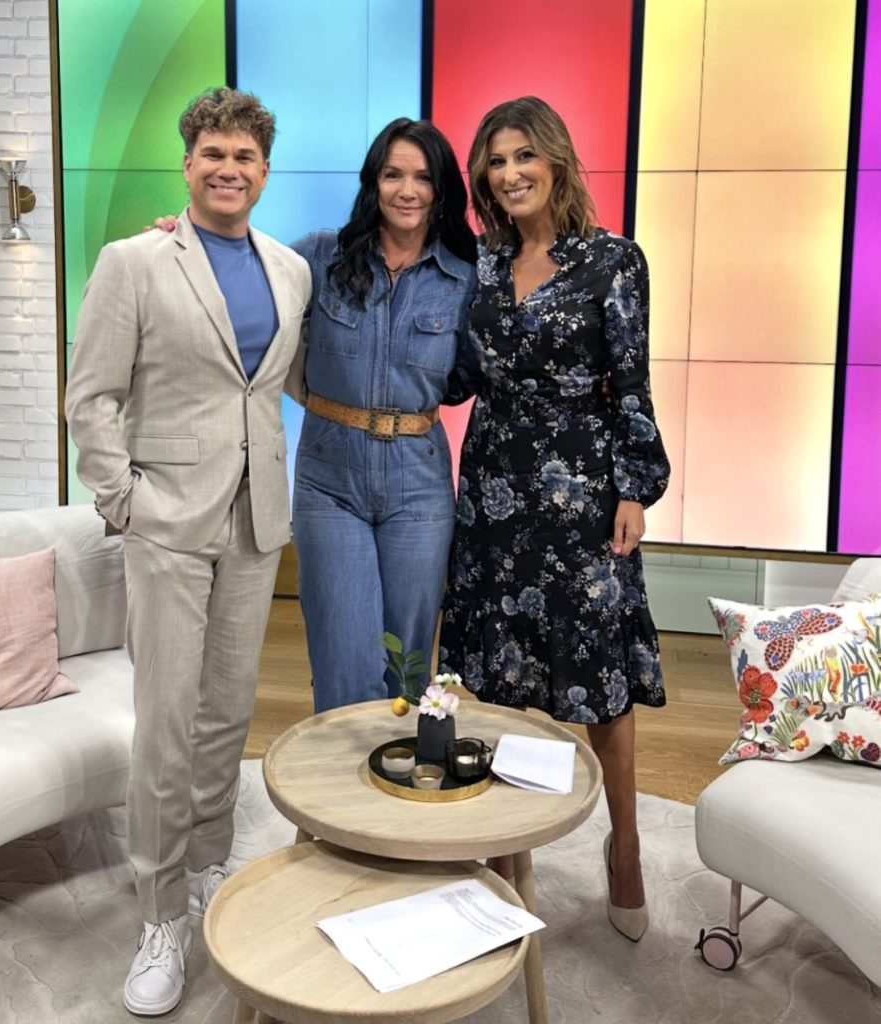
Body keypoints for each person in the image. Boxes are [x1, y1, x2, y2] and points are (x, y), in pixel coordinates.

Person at [65, 87, 311, 1016]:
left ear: (263, 171)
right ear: (188, 162)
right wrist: (122, 499)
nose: (227, 169)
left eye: (244, 156)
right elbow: (91, 396)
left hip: (254, 522)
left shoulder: (290, 270)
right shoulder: (134, 261)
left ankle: (208, 865)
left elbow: (271, 388)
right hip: (165, 522)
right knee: (166, 724)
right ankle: (158, 913)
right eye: (213, 153)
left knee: (225, 713)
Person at [438, 96, 670, 942]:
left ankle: (625, 845)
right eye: (495, 162)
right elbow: (456, 376)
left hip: (583, 491)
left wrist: (634, 487)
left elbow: (630, 378)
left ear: (557, 160)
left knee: (598, 676)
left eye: (522, 156)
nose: (509, 174)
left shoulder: (612, 259)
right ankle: (505, 849)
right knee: (500, 675)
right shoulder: (479, 263)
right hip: (493, 487)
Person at [290, 118, 477, 712]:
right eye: (393, 174)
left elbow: (467, 376)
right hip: (329, 478)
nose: (407, 190)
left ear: (440, 189)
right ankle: (342, 772)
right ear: (373, 181)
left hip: (419, 483)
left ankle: (399, 767)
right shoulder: (321, 255)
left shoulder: (464, 277)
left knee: (408, 665)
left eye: (423, 177)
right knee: (345, 660)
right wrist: (180, 236)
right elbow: (244, 283)